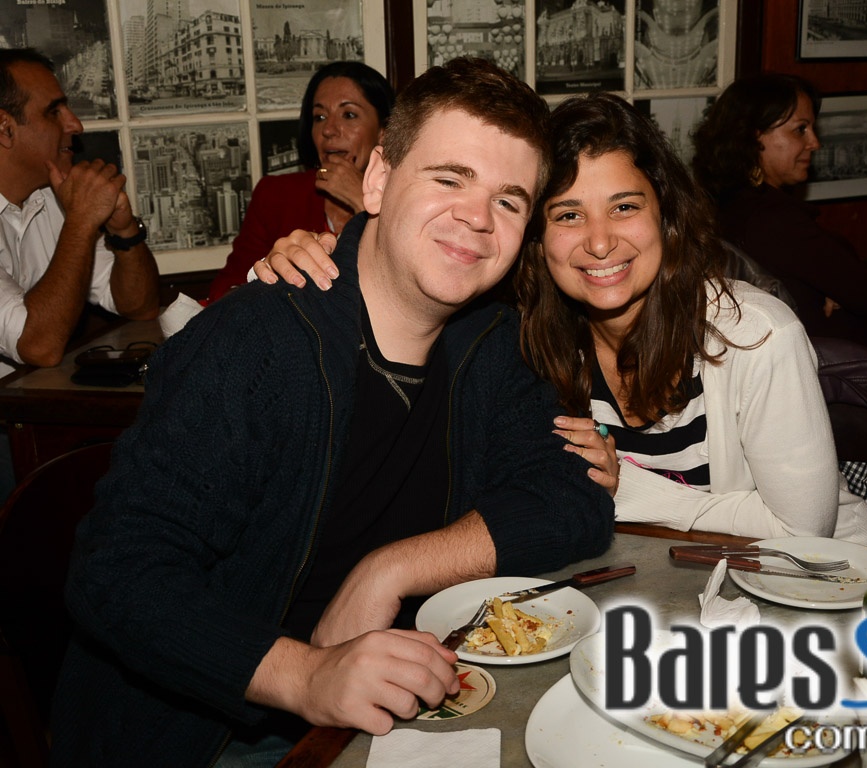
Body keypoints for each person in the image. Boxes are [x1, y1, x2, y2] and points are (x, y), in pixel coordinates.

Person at [51, 58, 614, 767]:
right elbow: (117, 572)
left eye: (508, 201)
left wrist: (391, 569)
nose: (477, 217)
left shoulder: (494, 343)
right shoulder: (253, 344)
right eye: (449, 179)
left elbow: (572, 496)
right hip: (214, 730)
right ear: (377, 179)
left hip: (400, 703)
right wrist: (309, 677)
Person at [259, 92, 867, 545]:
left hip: (825, 597)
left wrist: (624, 488)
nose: (600, 242)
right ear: (536, 237)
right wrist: (321, 262)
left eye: (625, 207)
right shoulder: (525, 334)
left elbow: (802, 530)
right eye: (569, 215)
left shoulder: (755, 336)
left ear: (665, 214)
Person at [691, 73, 867, 350]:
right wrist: (834, 289)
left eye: (812, 129)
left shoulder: (720, 203)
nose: (814, 143)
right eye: (800, 130)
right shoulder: (773, 219)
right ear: (754, 136)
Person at [0, 48, 159, 373]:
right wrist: (82, 221)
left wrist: (124, 231)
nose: (75, 125)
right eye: (54, 112)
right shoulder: (72, 206)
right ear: (5, 128)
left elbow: (140, 306)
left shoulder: (54, 194)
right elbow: (39, 346)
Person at [205, 61, 394, 303]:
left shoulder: (405, 198)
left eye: (348, 115)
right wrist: (265, 277)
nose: (329, 130)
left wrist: (363, 201)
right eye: (320, 117)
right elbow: (222, 293)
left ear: (383, 132)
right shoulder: (276, 195)